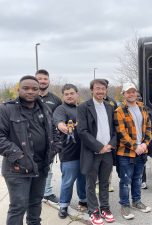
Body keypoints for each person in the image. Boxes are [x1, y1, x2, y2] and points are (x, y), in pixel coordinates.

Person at [0, 75, 61, 225]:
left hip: (41, 166)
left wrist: (56, 146)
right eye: (26, 88)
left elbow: (53, 130)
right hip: (18, 168)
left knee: (35, 203)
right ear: (18, 89)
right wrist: (19, 156)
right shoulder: (7, 109)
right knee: (18, 206)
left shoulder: (45, 108)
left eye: (34, 89)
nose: (30, 91)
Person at [77, 79, 116, 225]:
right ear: (92, 90)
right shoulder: (83, 107)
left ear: (106, 90)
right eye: (97, 88)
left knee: (105, 182)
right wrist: (99, 146)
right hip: (92, 152)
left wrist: (111, 145)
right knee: (91, 183)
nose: (100, 91)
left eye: (103, 88)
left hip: (108, 152)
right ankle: (93, 210)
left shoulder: (109, 107)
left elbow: (114, 129)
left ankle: (105, 208)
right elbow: (82, 131)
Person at [114, 83, 152, 220]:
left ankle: (136, 201)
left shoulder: (142, 107)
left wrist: (145, 144)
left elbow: (148, 127)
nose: (131, 94)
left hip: (141, 150)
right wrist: (135, 146)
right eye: (128, 92)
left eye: (133, 91)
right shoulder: (119, 110)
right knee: (125, 180)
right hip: (126, 152)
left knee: (137, 178)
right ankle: (125, 205)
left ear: (136, 93)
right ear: (124, 94)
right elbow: (121, 133)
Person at [53, 84, 87, 218]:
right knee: (68, 181)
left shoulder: (82, 109)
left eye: (72, 93)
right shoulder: (60, 109)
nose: (69, 96)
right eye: (66, 94)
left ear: (77, 94)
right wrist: (64, 127)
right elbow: (59, 123)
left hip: (85, 153)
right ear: (63, 96)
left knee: (83, 180)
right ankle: (63, 205)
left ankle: (83, 201)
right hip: (68, 154)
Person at [35, 69, 62, 204]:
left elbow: (59, 119)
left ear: (49, 81)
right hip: (31, 140)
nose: (42, 81)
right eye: (40, 79)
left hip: (49, 141)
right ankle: (34, 193)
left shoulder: (55, 99)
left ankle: (47, 192)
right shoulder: (30, 96)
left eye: (45, 79)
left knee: (48, 169)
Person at [103, 79, 117, 192]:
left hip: (110, 134)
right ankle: (98, 183)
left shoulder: (112, 102)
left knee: (109, 161)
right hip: (98, 134)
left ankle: (109, 183)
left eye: (105, 87)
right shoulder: (91, 102)